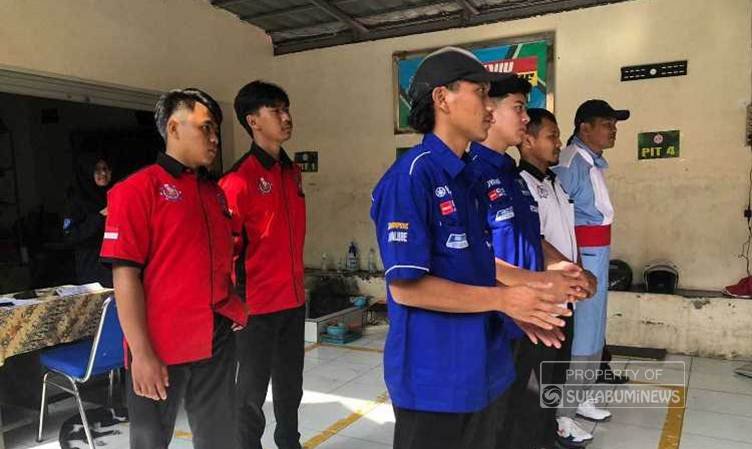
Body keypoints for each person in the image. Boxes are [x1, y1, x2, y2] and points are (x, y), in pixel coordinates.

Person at [370, 47, 569, 449]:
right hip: (432, 377)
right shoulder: (412, 177)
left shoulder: (468, 179)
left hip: (479, 363)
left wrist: (519, 305)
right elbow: (406, 288)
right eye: (480, 93)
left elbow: (476, 264)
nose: (490, 107)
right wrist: (504, 299)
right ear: (442, 98)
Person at [100, 88, 247, 449]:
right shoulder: (136, 190)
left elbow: (219, 259)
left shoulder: (213, 194)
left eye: (217, 131)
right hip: (161, 342)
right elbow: (125, 275)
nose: (215, 139)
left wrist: (233, 304)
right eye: (206, 128)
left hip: (215, 336)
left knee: (219, 437)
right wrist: (141, 353)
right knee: (151, 440)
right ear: (174, 127)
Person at [468, 77, 593, 449]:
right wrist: (531, 286)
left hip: (528, 314)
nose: (525, 118)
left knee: (530, 406)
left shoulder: (510, 175)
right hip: (498, 317)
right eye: (519, 108)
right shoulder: (470, 174)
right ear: (489, 110)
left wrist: (566, 269)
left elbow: (531, 239)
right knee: (495, 418)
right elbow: (470, 257)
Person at [220, 80, 306, 449]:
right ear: (253, 121)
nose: (286, 118)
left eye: (287, 109)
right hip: (254, 309)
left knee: (290, 387)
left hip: (293, 301)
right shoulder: (238, 181)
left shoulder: (291, 172)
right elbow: (224, 251)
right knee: (250, 396)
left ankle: (289, 442)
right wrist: (233, 304)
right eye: (276, 111)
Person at [518, 108, 595, 447]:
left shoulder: (556, 183)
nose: (559, 143)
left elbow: (568, 234)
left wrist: (578, 269)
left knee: (556, 371)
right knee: (537, 377)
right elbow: (534, 240)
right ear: (527, 140)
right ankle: (535, 436)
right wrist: (573, 271)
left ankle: (549, 431)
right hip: (543, 297)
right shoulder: (522, 185)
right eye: (552, 136)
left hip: (564, 296)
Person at [552, 99, 630, 424]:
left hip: (597, 253)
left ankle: (581, 395)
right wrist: (571, 264)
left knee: (595, 329)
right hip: (582, 256)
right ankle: (564, 411)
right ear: (585, 128)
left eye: (614, 125)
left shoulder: (591, 161)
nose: (613, 131)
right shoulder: (570, 163)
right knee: (582, 331)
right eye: (607, 125)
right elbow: (555, 217)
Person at [64, 153, 113, 287]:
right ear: (88, 172)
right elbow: (70, 236)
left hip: (117, 266)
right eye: (97, 170)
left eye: (105, 169)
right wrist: (99, 217)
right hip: (92, 270)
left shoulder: (117, 193)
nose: (103, 173)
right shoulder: (77, 200)